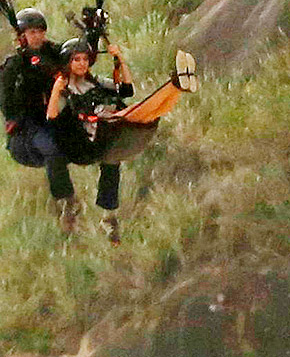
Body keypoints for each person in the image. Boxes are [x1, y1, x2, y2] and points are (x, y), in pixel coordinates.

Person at [47, 37, 197, 245]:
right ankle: (174, 85)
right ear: (68, 63)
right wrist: (56, 90)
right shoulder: (66, 90)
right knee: (137, 113)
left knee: (150, 115)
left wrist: (119, 59)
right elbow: (52, 117)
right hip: (90, 141)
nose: (81, 64)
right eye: (76, 60)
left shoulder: (96, 82)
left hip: (110, 132)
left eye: (84, 59)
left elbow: (126, 90)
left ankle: (178, 87)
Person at [0, 8, 80, 232]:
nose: (37, 36)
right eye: (31, 32)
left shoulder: (52, 52)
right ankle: (65, 202)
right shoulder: (14, 65)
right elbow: (5, 99)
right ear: (23, 35)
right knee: (51, 149)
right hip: (28, 125)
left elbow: (75, 57)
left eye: (40, 31)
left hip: (53, 114)